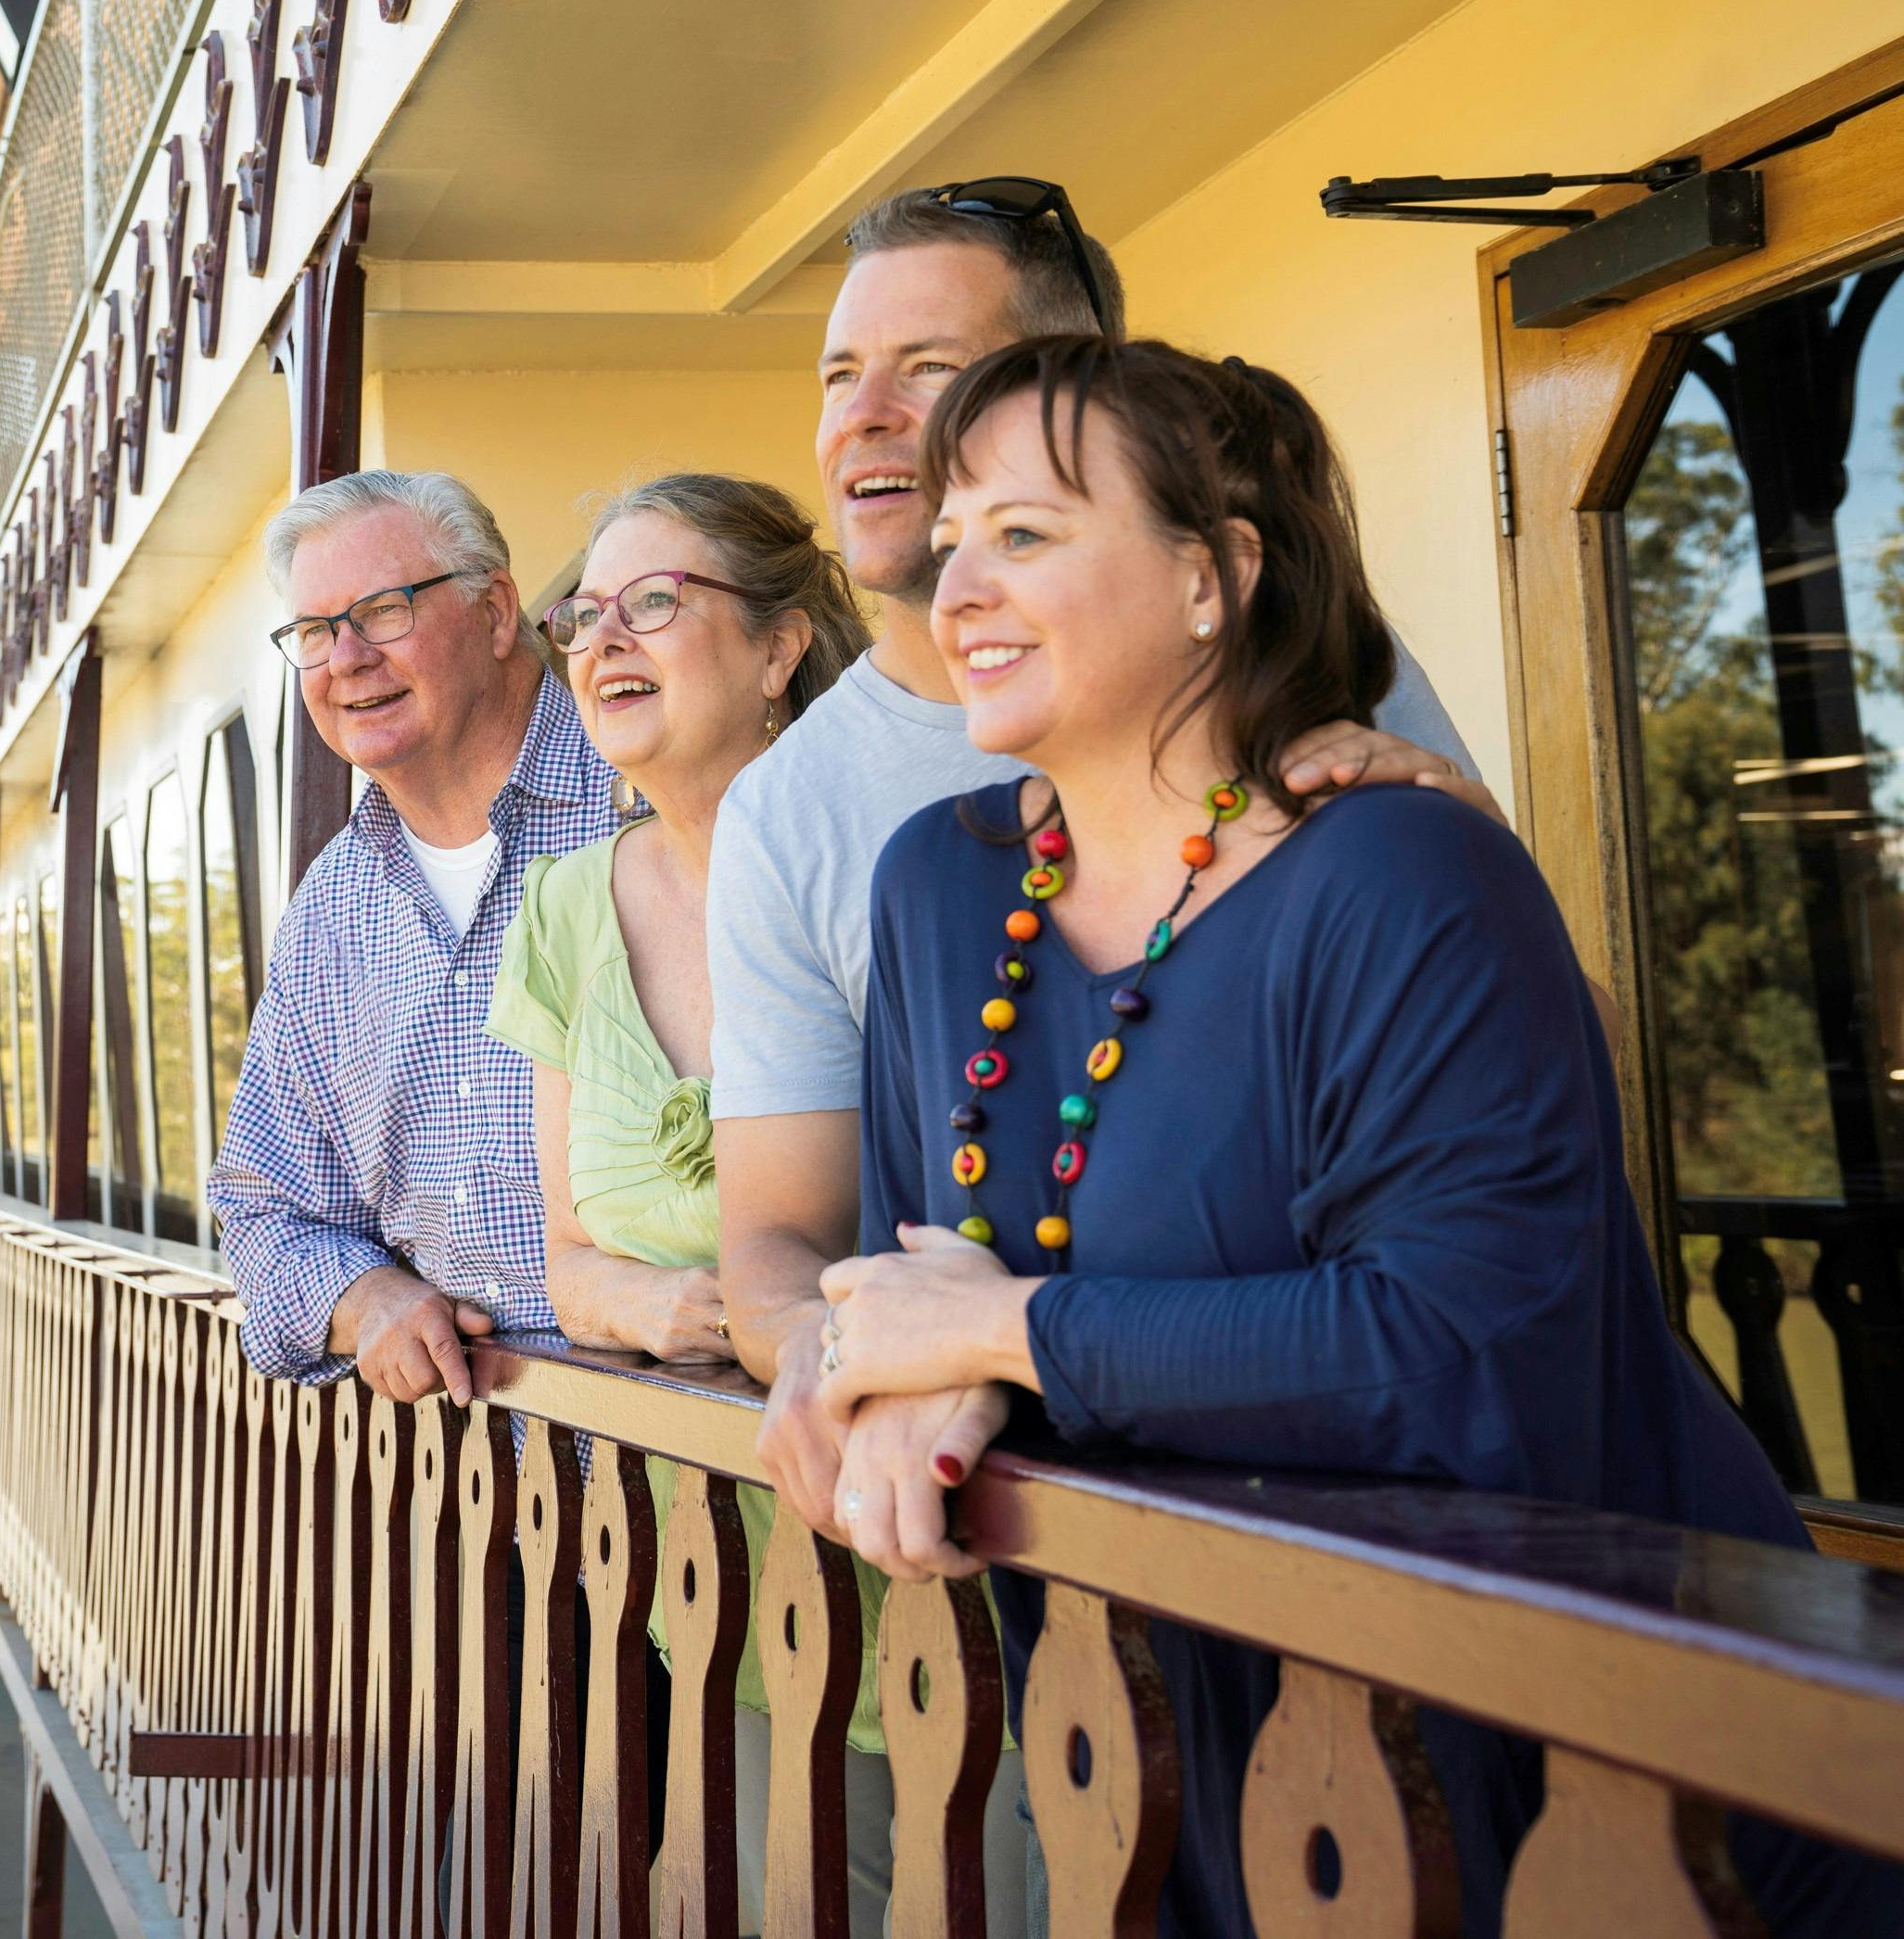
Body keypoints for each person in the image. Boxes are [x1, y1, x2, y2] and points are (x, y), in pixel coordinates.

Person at [805, 333, 1896, 1935]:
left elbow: (1453, 1349)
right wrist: (928, 1372)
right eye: (954, 537)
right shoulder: (938, 887)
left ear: (1215, 577)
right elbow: (916, 1276)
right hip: (1157, 1757)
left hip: (1571, 1777)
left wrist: (1013, 1331)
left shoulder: (1404, 877)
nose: (956, 582)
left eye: (1026, 531)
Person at [716, 181, 1488, 1927]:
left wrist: (991, 1335)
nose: (871, 420)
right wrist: (884, 1369)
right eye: (843, 371)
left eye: (936, 367)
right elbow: (848, 1244)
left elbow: (1483, 1223)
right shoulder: (915, 868)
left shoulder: (1360, 785)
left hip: (1458, 1642)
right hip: (1120, 1666)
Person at [487, 470, 995, 1933]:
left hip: (936, 1503)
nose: (603, 639)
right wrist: (665, 1305)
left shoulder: (919, 843)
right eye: (584, 611)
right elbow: (565, 1252)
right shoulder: (568, 908)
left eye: (658, 599)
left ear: (780, 647)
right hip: (712, 1561)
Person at [209, 467, 616, 1395]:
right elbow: (262, 1206)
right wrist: (365, 1297)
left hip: (710, 1490)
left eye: (383, 610)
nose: (345, 657)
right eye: (313, 631)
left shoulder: (642, 797)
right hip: (461, 1505)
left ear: (494, 610)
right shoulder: (330, 909)